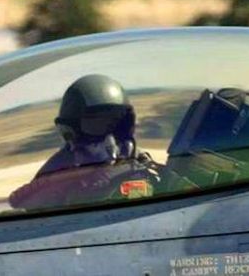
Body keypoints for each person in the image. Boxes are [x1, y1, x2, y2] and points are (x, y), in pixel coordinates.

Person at [9, 74, 159, 210]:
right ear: (71, 130)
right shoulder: (58, 175)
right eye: (96, 124)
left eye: (114, 123)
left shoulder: (140, 162)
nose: (110, 138)